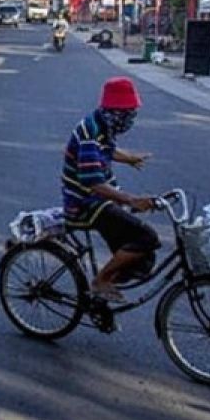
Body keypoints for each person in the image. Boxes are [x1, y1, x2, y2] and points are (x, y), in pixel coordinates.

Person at [62, 77, 159, 301]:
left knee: (134, 247)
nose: (130, 119)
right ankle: (101, 281)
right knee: (146, 237)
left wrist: (130, 159)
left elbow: (108, 149)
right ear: (116, 113)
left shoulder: (102, 125)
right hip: (85, 203)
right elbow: (93, 183)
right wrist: (131, 200)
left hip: (96, 199)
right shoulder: (90, 133)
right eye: (128, 114)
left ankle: (106, 287)